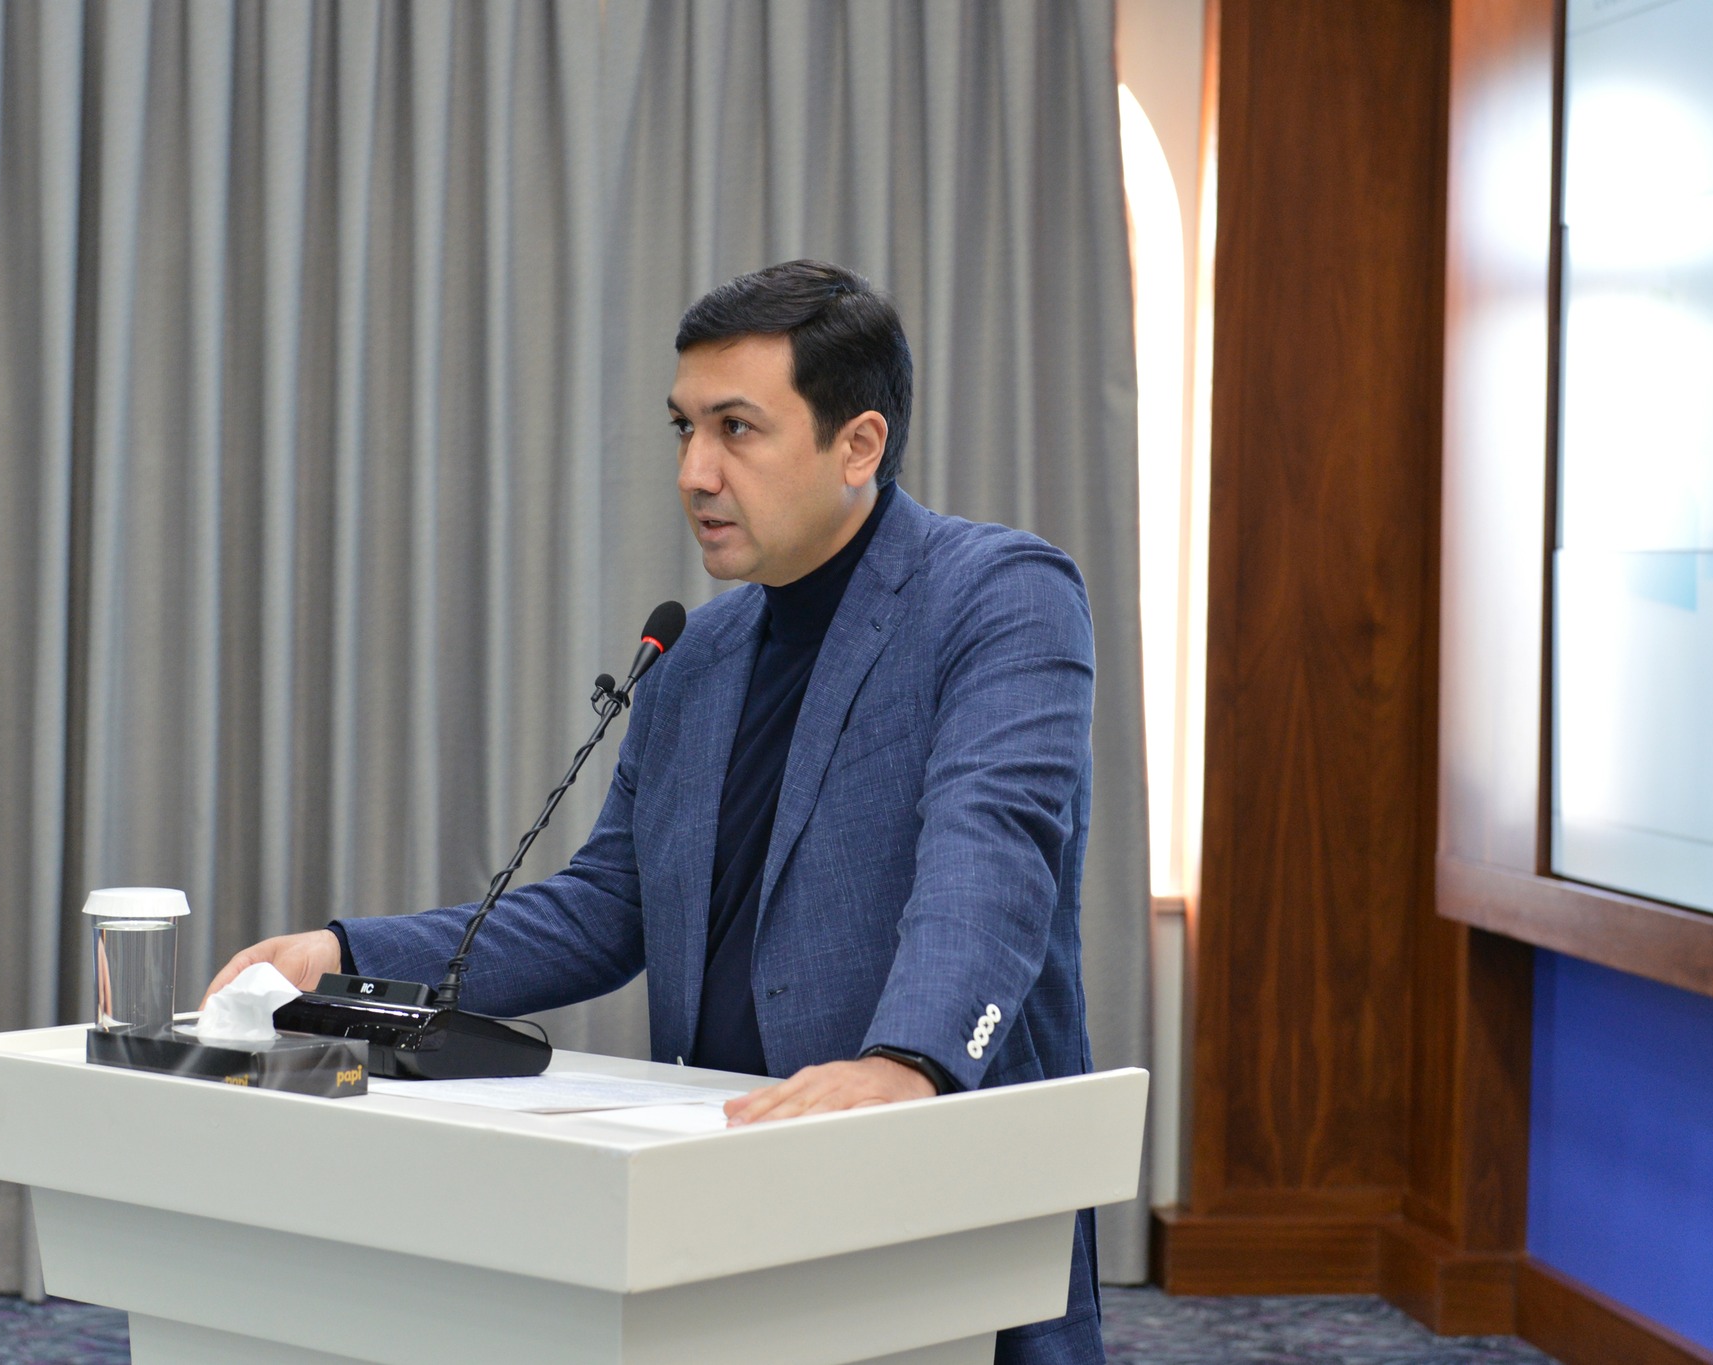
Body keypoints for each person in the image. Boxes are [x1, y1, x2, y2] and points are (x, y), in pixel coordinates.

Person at [206, 260, 1104, 1365]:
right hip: (717, 1184)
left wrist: (905, 1062)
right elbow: (609, 906)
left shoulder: (999, 595)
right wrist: (348, 958)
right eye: (684, 427)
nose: (693, 471)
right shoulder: (698, 652)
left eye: (736, 429)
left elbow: (989, 858)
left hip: (924, 1186)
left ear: (858, 445)